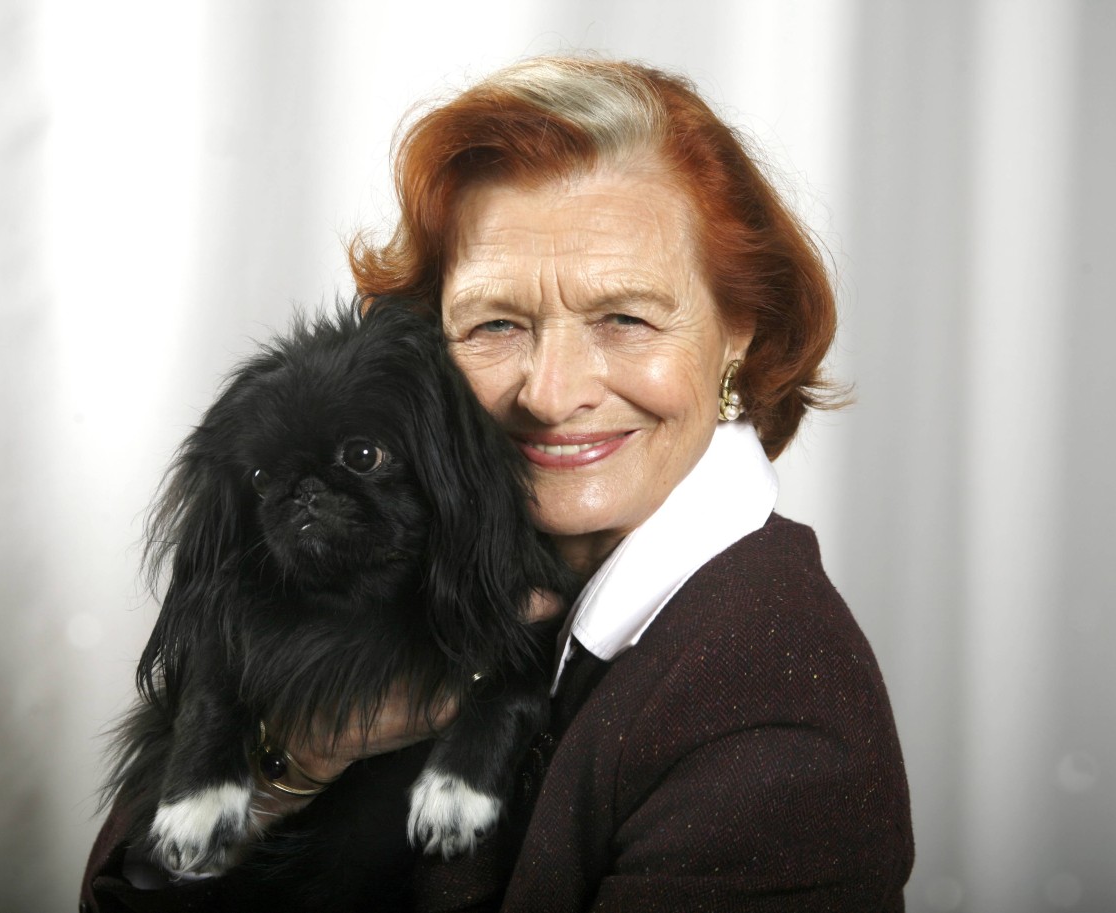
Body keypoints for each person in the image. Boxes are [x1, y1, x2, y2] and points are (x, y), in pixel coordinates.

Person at [83, 55, 913, 912]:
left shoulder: (773, 714)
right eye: (496, 324)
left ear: (738, 332)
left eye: (624, 318)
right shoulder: (400, 546)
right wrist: (286, 764)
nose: (552, 395)